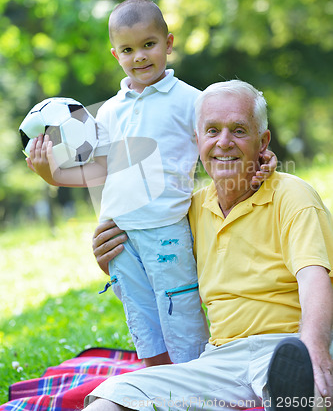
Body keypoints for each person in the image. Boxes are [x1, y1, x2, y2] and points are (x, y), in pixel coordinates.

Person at [26, 0, 275, 368]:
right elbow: (99, 170)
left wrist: (258, 159)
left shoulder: (191, 101)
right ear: (115, 54)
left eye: (149, 45)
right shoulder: (108, 111)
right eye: (128, 50)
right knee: (142, 317)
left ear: (169, 43)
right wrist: (52, 175)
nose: (139, 57)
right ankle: (158, 382)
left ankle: (192, 380)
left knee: (180, 309)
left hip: (166, 228)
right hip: (119, 232)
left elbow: (218, 146)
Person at [84, 80, 333, 411]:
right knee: (112, 397)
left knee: (307, 394)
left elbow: (315, 280)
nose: (224, 142)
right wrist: (113, 261)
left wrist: (315, 352)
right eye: (212, 130)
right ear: (196, 140)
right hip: (218, 361)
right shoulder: (186, 210)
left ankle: (298, 395)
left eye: (239, 130)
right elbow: (160, 274)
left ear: (263, 141)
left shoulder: (293, 196)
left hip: (287, 347)